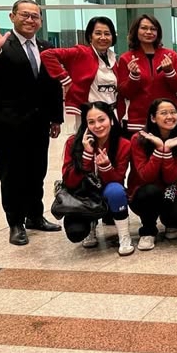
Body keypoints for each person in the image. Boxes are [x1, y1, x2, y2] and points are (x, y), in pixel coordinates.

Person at [0, 0, 64, 246]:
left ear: (41, 21)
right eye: (24, 15)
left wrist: (56, 118)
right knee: (12, 174)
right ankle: (15, 223)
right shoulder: (2, 43)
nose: (30, 20)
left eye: (35, 16)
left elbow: (53, 84)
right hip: (8, 124)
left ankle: (35, 216)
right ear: (12, 16)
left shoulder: (46, 47)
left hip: (38, 122)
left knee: (37, 171)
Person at [61, 102, 134, 255]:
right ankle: (90, 225)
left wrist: (106, 166)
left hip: (108, 193)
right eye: (91, 122)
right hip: (82, 195)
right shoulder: (73, 143)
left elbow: (118, 180)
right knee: (75, 232)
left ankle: (124, 236)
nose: (98, 126)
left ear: (111, 120)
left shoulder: (123, 144)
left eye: (102, 120)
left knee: (116, 191)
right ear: (86, 124)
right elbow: (70, 182)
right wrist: (87, 155)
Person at [128, 99, 177, 250]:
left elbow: (170, 178)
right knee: (151, 191)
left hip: (169, 191)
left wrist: (167, 151)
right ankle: (148, 230)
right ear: (153, 118)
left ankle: (169, 221)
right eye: (164, 113)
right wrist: (159, 150)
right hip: (143, 193)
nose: (170, 116)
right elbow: (146, 176)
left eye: (173, 112)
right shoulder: (139, 139)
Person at [40, 16, 118, 132]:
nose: (103, 37)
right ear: (90, 36)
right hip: (89, 115)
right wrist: (65, 79)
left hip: (111, 113)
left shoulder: (112, 58)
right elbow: (47, 55)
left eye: (107, 34)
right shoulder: (81, 52)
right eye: (98, 33)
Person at [117, 14, 177, 134]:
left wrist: (170, 72)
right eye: (144, 28)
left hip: (169, 120)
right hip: (139, 121)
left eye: (153, 29)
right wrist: (134, 76)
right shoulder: (126, 58)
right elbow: (125, 93)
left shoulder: (170, 56)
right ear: (136, 31)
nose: (149, 32)